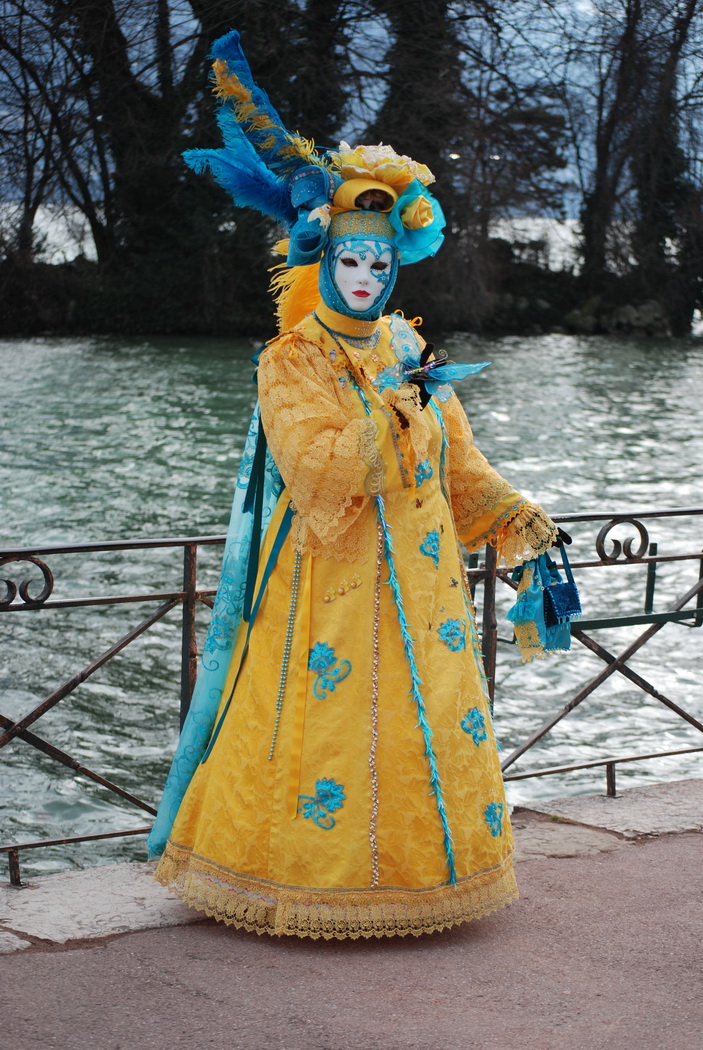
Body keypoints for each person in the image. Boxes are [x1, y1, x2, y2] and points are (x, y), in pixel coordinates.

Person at [148, 30, 558, 939]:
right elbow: (321, 466)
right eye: (350, 260)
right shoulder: (291, 359)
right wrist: (398, 415)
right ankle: (302, 886)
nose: (367, 278)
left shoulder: (409, 346)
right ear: (324, 259)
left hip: (421, 593)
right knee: (327, 731)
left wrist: (523, 527)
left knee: (417, 727)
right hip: (326, 593)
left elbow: (457, 467)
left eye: (381, 263)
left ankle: (418, 884)